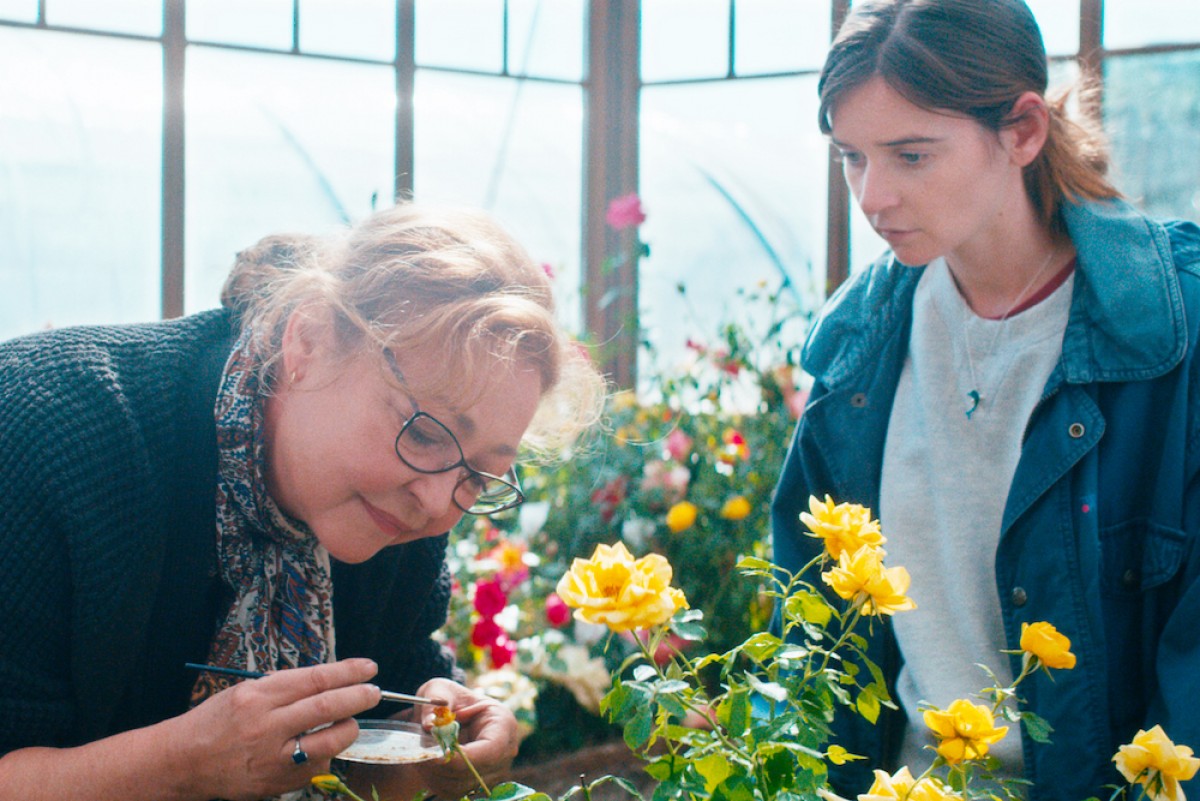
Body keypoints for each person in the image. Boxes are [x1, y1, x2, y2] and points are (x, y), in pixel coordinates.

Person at [0, 203, 605, 801]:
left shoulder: (401, 506)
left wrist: (431, 740)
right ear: (308, 341)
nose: (436, 502)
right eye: (423, 433)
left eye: (480, 477)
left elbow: (387, 698)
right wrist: (184, 763)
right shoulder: (45, 434)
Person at [770, 0, 1200, 798]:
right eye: (852, 159)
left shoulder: (1174, 334)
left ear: (1023, 131)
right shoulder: (854, 346)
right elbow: (812, 638)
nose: (873, 198)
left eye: (911, 156)